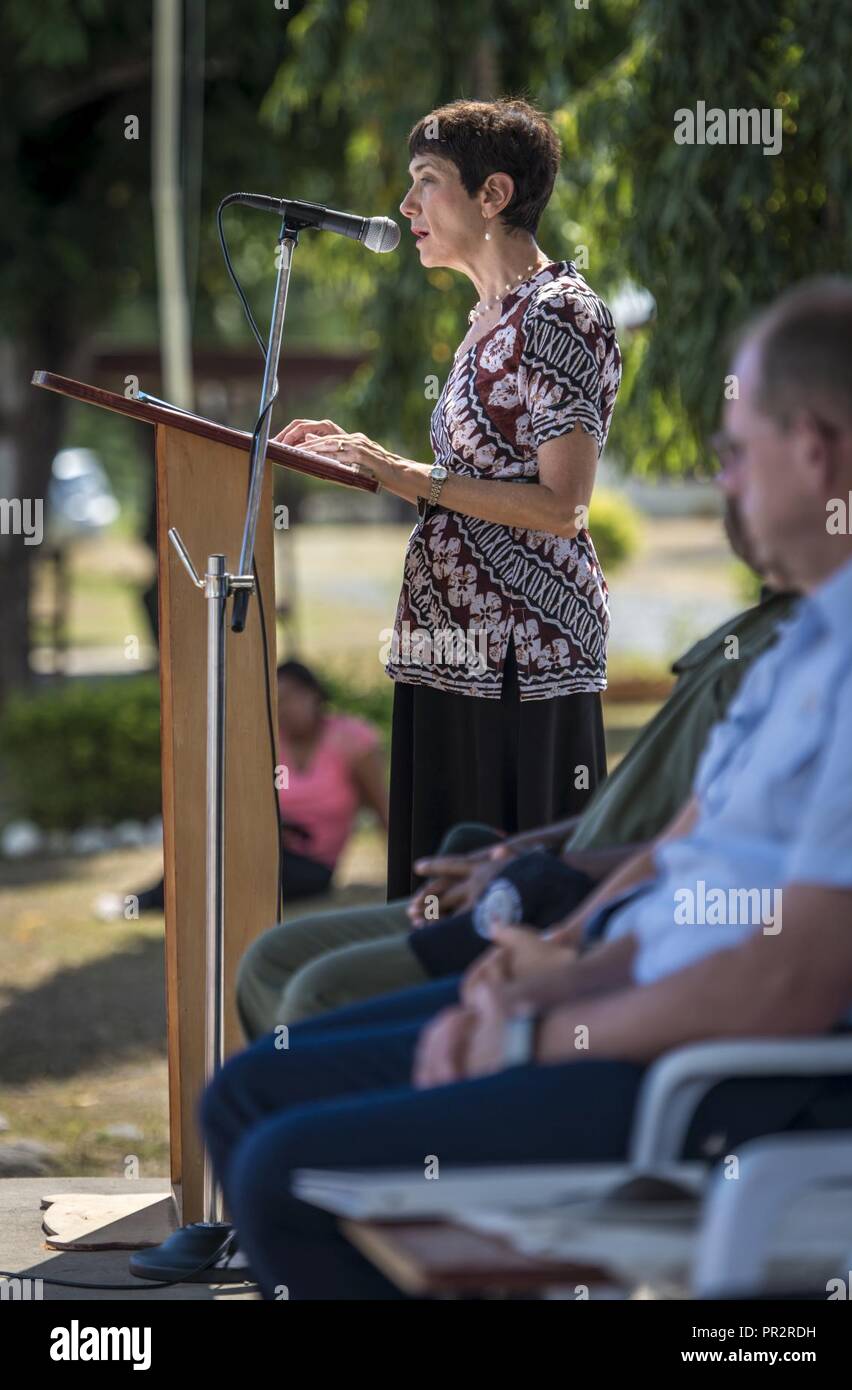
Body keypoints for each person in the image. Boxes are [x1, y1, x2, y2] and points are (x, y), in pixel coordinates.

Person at [194, 277, 852, 1299]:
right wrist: (556, 968)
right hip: (637, 1014)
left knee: (280, 1165)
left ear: (813, 450)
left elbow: (783, 983)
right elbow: (679, 867)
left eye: (732, 453)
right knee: (249, 1094)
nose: (722, 483)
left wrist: (537, 1030)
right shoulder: (802, 643)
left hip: (707, 1083)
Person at [234, 498, 797, 1037]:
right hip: (561, 879)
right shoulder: (757, 631)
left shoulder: (814, 661)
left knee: (314, 992)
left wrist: (555, 897)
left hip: (593, 908)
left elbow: (718, 854)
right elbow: (677, 818)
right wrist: (511, 854)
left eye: (744, 453)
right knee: (269, 958)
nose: (729, 484)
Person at [274, 98, 622, 899]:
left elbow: (562, 504)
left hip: (520, 656)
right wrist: (357, 459)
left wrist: (402, 473)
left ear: (493, 195)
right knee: (440, 900)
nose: (405, 207)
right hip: (451, 649)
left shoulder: (559, 313)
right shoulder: (486, 319)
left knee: (511, 901)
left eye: (426, 183)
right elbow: (476, 484)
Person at [95, 659, 387, 918]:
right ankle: (153, 900)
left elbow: (382, 809)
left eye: (290, 698)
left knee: (225, 870)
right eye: (276, 701)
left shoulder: (351, 741)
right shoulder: (268, 740)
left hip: (313, 864)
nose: (284, 709)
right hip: (263, 846)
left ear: (313, 694)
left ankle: (148, 901)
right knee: (208, 855)